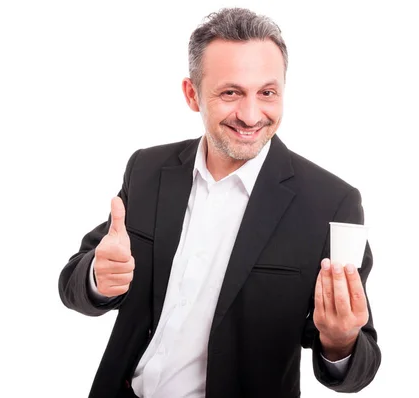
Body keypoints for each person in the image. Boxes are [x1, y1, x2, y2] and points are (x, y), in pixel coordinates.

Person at [59, 7, 381, 398]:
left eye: (267, 92)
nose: (250, 115)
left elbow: (358, 368)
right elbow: (74, 283)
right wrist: (97, 278)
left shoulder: (331, 203)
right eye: (231, 92)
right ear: (192, 94)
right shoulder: (147, 169)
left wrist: (340, 342)